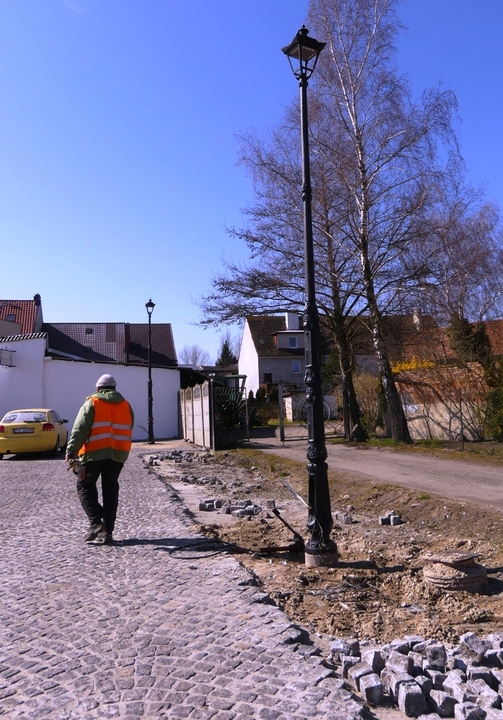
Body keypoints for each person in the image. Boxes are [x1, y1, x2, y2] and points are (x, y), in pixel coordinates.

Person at [65, 374, 134, 544]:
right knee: (110, 490)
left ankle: (97, 522)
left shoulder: (92, 403)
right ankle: (108, 532)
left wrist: (71, 450)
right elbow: (130, 426)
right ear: (115, 389)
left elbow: (80, 429)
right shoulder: (126, 405)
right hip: (118, 455)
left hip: (93, 454)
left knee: (84, 486)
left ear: (98, 388)